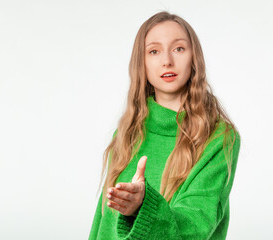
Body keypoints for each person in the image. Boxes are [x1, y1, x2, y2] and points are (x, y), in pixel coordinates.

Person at [88, 11, 241, 240]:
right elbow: (102, 225)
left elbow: (196, 226)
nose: (167, 60)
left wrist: (143, 206)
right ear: (142, 63)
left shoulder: (219, 137)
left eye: (179, 48)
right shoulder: (127, 133)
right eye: (154, 51)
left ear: (194, 58)